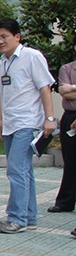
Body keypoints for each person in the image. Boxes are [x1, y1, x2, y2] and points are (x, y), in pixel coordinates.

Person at [0, 18, 57, 234]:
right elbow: (2, 92)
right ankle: (29, 216)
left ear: (17, 37)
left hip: (26, 122)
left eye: (4, 36)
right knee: (24, 170)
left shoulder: (32, 56)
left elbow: (44, 88)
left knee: (15, 169)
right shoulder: (3, 62)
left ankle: (16, 218)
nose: (0, 41)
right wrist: (0, 120)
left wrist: (49, 118)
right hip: (10, 123)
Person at [50, 52, 76, 214]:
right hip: (70, 116)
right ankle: (65, 201)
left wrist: (72, 87)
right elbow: (63, 92)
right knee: (70, 160)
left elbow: (69, 90)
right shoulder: (67, 69)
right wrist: (68, 91)